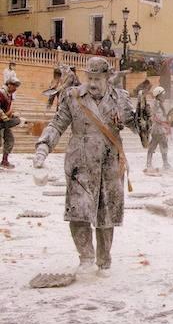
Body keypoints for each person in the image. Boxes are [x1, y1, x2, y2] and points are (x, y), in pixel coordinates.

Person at [34, 57, 139, 277]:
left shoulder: (120, 98)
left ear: (107, 78)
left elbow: (138, 128)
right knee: (78, 211)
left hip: (110, 164)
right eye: (89, 78)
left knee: (106, 214)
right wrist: (43, 147)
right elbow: (57, 124)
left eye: (97, 79)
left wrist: (144, 122)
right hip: (79, 163)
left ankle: (103, 261)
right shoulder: (73, 97)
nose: (92, 83)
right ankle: (86, 258)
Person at [146, 86, 171, 171]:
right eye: (162, 94)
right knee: (158, 145)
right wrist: (163, 122)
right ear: (158, 95)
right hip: (158, 129)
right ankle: (162, 163)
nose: (164, 96)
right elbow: (154, 117)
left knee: (159, 145)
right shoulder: (156, 103)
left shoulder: (159, 104)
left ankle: (162, 163)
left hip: (159, 129)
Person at [0, 77, 21, 169]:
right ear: (9, 85)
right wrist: (3, 115)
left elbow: (8, 109)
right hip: (1, 120)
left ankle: (4, 161)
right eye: (14, 86)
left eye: (16, 86)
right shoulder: (1, 93)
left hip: (4, 122)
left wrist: (12, 115)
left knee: (10, 140)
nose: (15, 88)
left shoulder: (10, 95)